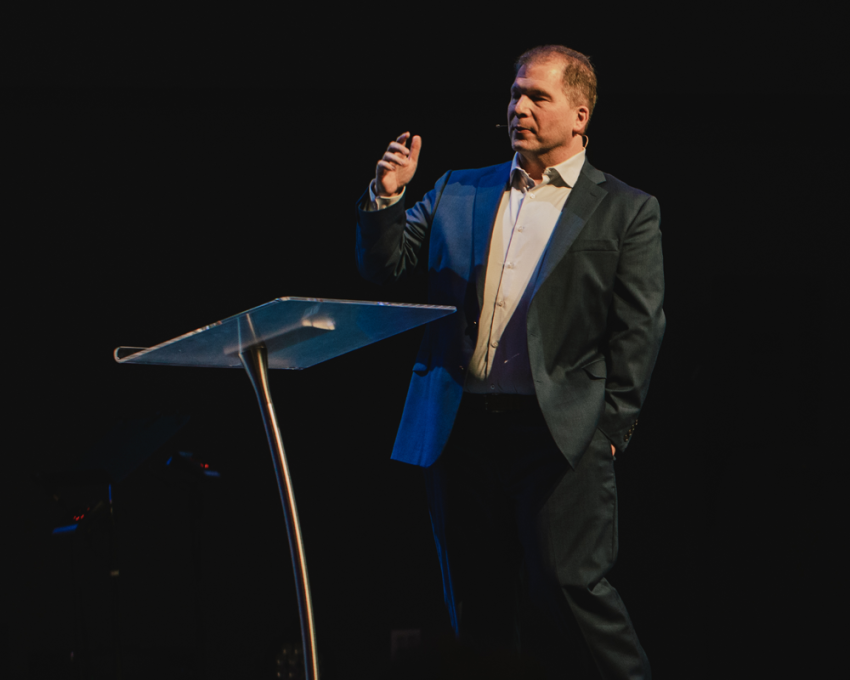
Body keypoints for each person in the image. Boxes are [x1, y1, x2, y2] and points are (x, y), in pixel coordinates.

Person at [356, 45, 664, 679]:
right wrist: (386, 199)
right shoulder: (459, 187)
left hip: (558, 434)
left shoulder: (626, 209)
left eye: (538, 97)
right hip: (461, 426)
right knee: (474, 600)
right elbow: (387, 264)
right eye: (515, 93)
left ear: (580, 115)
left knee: (570, 591)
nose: (518, 107)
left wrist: (610, 431)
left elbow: (639, 329)